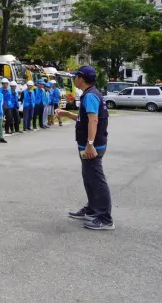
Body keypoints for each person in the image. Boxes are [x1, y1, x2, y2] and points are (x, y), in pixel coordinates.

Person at [56, 65, 114, 230]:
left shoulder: (89, 96)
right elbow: (85, 119)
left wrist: (90, 144)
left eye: (76, 76)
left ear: (81, 78)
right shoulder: (92, 94)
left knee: (96, 180)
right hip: (89, 144)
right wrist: (67, 114)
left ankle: (104, 217)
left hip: (92, 146)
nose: (74, 79)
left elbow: (94, 120)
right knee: (89, 178)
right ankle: (93, 209)